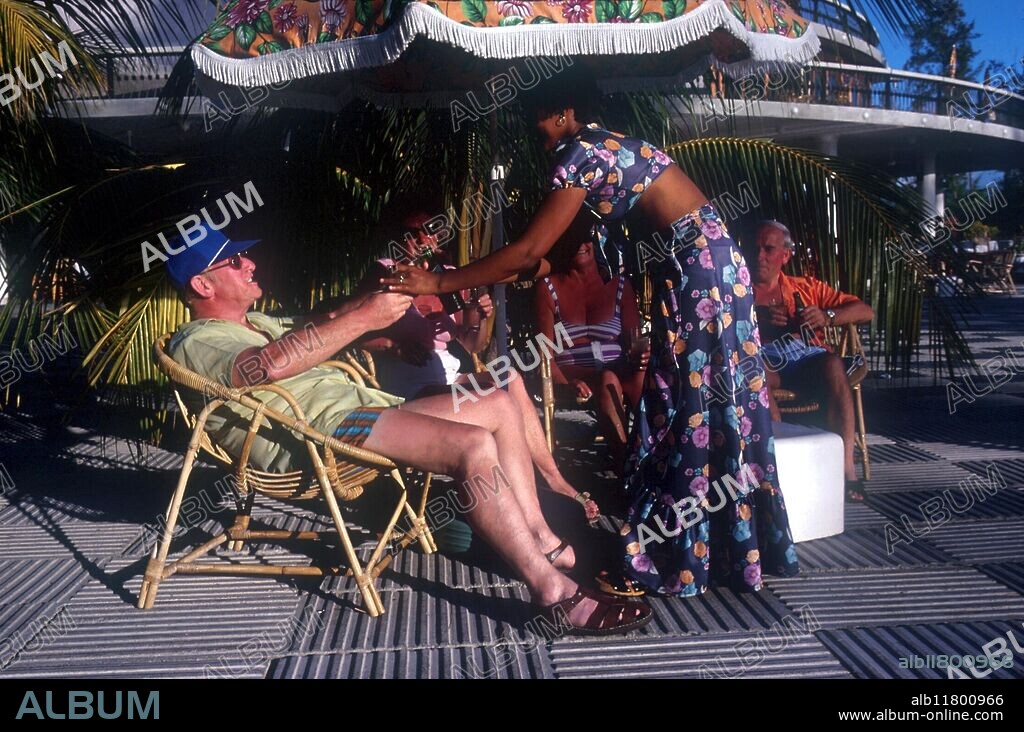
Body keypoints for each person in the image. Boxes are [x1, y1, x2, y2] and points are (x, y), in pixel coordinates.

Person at [382, 70, 800, 598]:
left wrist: (439, 280)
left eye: (538, 123)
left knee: (692, 407)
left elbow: (530, 251)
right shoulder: (607, 150)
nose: (537, 138)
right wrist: (477, 274)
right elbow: (544, 263)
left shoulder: (579, 154)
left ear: (561, 112)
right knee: (707, 406)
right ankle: (720, 547)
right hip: (712, 271)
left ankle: (684, 555)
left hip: (701, 275)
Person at [162, 223, 651, 635]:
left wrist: (380, 298)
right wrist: (361, 320)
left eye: (245, 256)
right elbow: (260, 369)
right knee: (472, 446)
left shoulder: (259, 321)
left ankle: (542, 538)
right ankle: (551, 592)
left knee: (499, 404)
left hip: (364, 412)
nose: (250, 264)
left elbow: (321, 321)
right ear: (203, 285)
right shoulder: (199, 339)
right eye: (234, 261)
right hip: (323, 434)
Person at [359, 204, 600, 522]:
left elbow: (473, 344)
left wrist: (478, 316)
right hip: (414, 387)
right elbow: (355, 330)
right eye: (412, 232)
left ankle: (552, 478)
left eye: (429, 231)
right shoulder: (385, 273)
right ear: (397, 236)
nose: (421, 239)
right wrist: (393, 344)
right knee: (498, 399)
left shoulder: (439, 278)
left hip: (449, 377)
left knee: (510, 376)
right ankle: (526, 493)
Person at [751, 220, 875, 503]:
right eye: (756, 248)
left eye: (768, 249)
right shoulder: (739, 289)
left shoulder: (804, 288)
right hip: (767, 360)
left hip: (806, 358)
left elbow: (864, 310)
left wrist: (826, 316)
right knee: (755, 373)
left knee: (833, 364)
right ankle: (778, 470)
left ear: (785, 255)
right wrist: (760, 321)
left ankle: (846, 470)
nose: (760, 256)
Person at [534, 215, 649, 477]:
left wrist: (642, 354)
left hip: (620, 369)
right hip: (576, 374)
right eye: (571, 238)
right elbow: (546, 352)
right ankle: (628, 470)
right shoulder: (548, 287)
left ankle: (652, 457)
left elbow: (635, 339)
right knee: (608, 379)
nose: (580, 244)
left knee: (646, 379)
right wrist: (563, 383)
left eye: (585, 237)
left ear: (595, 240)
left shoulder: (620, 285)